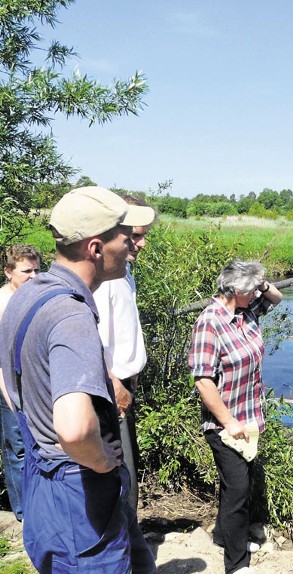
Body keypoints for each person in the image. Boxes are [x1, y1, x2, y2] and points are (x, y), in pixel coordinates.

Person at [0, 186, 156, 573]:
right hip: (78, 488)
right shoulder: (72, 317)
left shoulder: (28, 295)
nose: (132, 245)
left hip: (45, 477)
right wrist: (102, 461)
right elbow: (73, 429)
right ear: (95, 248)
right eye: (125, 236)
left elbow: (9, 385)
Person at [189, 260, 282, 574]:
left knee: (238, 486)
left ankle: (224, 536)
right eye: (253, 288)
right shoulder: (210, 322)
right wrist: (228, 420)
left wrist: (262, 282)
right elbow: (203, 380)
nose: (258, 292)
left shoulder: (246, 312)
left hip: (250, 417)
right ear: (238, 291)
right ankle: (236, 563)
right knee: (238, 489)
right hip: (224, 423)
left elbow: (276, 298)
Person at [94, 195, 154, 512]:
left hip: (123, 382)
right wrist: (115, 384)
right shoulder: (104, 280)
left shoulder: (123, 274)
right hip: (110, 386)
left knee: (128, 465)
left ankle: (128, 541)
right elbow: (94, 340)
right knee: (120, 469)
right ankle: (123, 547)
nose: (141, 244)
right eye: (136, 236)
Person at [0, 244, 41, 521]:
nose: (35, 276)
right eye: (27, 271)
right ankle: (24, 512)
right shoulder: (2, 303)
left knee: (43, 445)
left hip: (36, 383)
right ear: (8, 272)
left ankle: (43, 506)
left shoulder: (39, 296)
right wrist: (8, 396)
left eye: (38, 269)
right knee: (17, 446)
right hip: (7, 385)